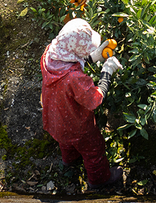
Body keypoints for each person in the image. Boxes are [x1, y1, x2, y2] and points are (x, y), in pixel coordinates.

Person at [40, 18, 124, 191]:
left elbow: (69, 63)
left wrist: (92, 57)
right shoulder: (74, 79)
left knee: (65, 142)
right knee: (94, 150)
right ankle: (99, 180)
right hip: (77, 125)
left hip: (55, 118)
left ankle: (70, 161)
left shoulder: (49, 55)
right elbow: (94, 99)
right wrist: (107, 72)